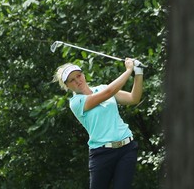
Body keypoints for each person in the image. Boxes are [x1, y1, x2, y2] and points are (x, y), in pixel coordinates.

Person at [53, 58, 144, 189]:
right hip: (102, 154)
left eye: (79, 76)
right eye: (72, 80)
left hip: (127, 148)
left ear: (83, 75)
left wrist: (138, 73)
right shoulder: (76, 102)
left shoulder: (102, 88)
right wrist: (129, 70)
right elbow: (108, 93)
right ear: (67, 86)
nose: (78, 81)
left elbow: (133, 98)